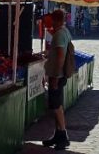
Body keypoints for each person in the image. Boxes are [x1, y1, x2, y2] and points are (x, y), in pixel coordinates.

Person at [42, 9, 74, 150]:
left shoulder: (60, 34)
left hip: (58, 76)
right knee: (56, 106)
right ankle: (58, 134)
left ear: (55, 20)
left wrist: (55, 75)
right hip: (59, 75)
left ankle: (63, 134)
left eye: (49, 19)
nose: (46, 22)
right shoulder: (63, 32)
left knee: (56, 106)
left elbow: (61, 55)